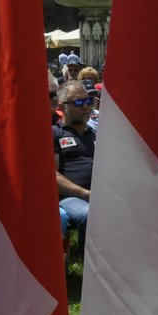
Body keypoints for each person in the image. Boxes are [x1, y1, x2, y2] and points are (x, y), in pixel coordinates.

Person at [52, 80, 97, 238]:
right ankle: (90, 262)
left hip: (103, 193)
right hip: (69, 197)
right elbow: (52, 176)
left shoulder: (95, 133)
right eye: (78, 102)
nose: (85, 106)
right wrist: (86, 193)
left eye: (88, 100)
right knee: (90, 215)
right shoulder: (54, 134)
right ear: (62, 106)